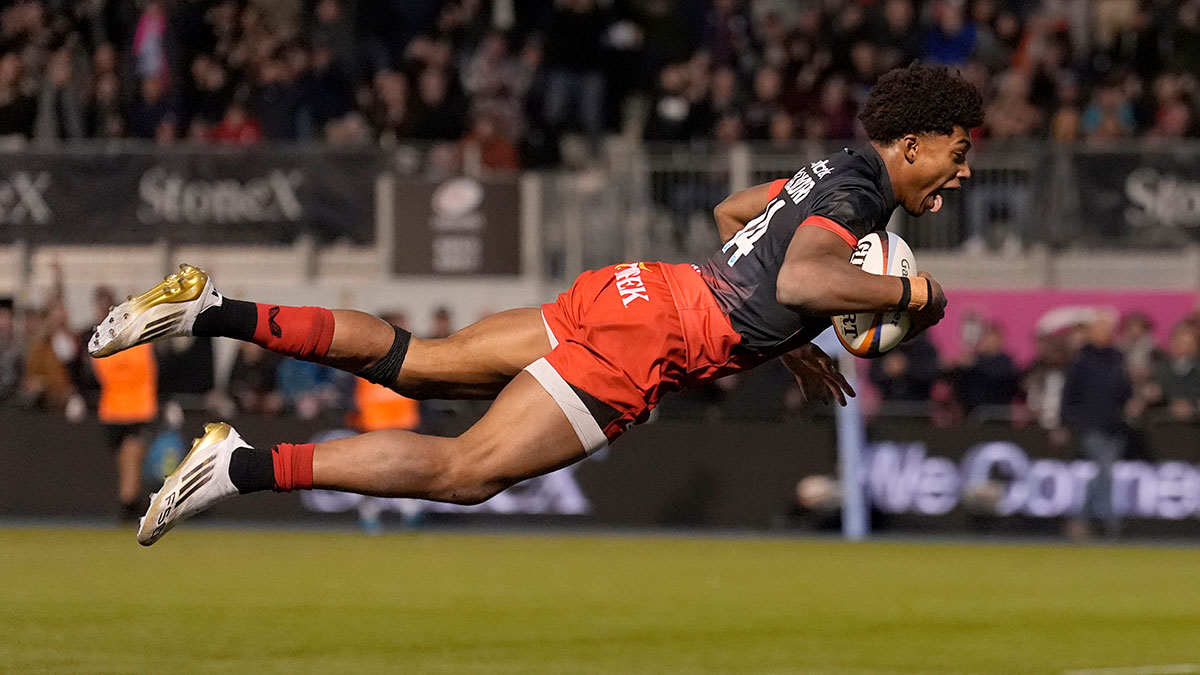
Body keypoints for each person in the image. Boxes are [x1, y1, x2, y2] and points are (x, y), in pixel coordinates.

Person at [89, 63, 981, 546]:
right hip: (656, 337)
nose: (964, 168)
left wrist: (781, 337)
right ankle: (239, 466)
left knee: (412, 361)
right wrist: (918, 292)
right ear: (911, 143)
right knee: (465, 472)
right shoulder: (863, 196)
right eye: (957, 150)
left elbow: (738, 215)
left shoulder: (833, 169)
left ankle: (210, 306)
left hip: (643, 289)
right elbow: (802, 279)